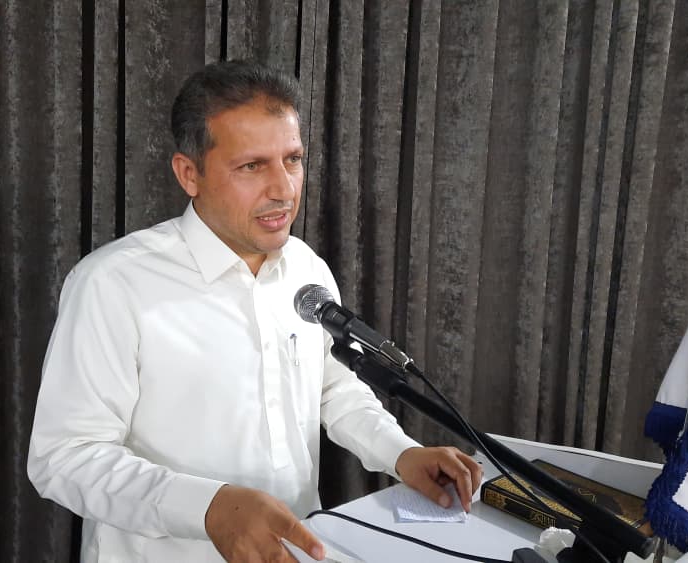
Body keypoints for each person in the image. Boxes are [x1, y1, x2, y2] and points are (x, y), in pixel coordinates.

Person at [27, 60, 482, 562]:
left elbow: (334, 390)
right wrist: (209, 507)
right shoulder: (113, 284)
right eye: (252, 166)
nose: (284, 189)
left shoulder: (305, 267)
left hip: (299, 550)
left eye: (293, 159)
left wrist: (401, 452)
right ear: (189, 173)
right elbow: (64, 456)